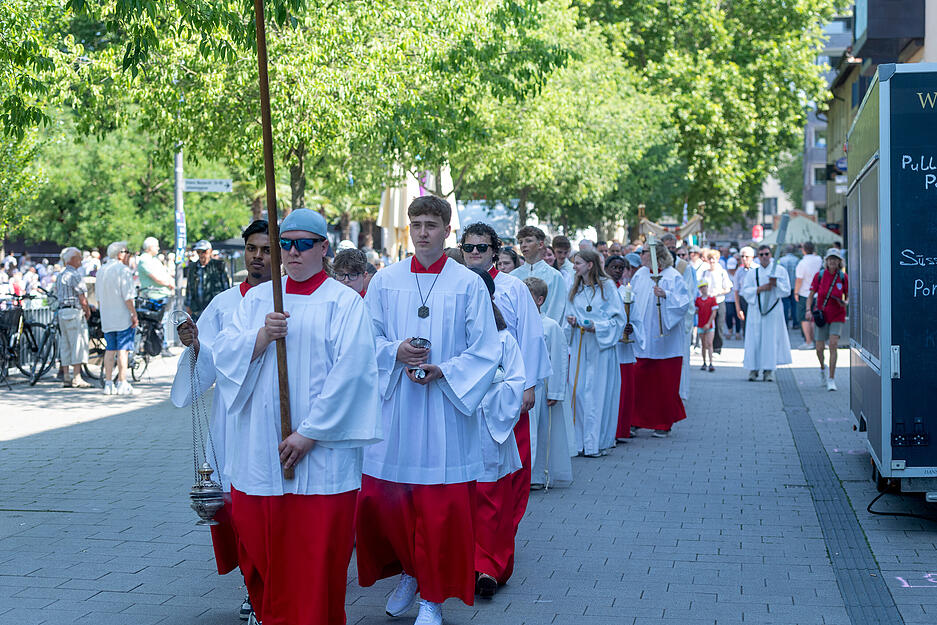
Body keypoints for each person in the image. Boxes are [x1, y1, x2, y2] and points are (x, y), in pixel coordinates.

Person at [213, 210, 381, 625]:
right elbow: (225, 356)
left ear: (324, 248)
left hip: (322, 461)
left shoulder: (344, 303)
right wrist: (261, 337)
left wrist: (309, 434)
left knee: (315, 565)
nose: (292, 252)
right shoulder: (259, 300)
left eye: (304, 243)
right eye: (285, 244)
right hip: (262, 456)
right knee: (263, 557)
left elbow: (353, 374)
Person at [356, 195, 500, 625]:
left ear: (446, 230)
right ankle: (410, 572)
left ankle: (432, 598)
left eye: (431, 225)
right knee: (386, 503)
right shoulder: (385, 280)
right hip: (397, 406)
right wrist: (393, 351)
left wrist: (446, 370)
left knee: (438, 510)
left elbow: (487, 350)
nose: (422, 232)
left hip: (444, 412)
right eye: (416, 223)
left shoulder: (469, 284)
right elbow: (367, 337)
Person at [171, 219, 272, 621]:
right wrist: (195, 344)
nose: (258, 257)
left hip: (278, 424)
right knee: (240, 512)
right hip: (232, 422)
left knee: (274, 513)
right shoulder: (224, 302)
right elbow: (207, 364)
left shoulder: (291, 299)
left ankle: (275, 586)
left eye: (266, 250)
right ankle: (253, 588)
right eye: (252, 249)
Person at [467, 267, 527, 597]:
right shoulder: (452, 335)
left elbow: (515, 380)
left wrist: (487, 394)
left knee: (489, 500)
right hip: (458, 425)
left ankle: (487, 567)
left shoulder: (504, 338)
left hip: (490, 425)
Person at [565, 250, 625, 456]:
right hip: (581, 347)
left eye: (578, 263)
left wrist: (596, 326)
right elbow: (568, 312)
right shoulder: (575, 288)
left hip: (601, 348)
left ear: (590, 265)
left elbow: (618, 319)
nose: (574, 267)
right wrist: (571, 321)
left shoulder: (607, 287)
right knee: (579, 392)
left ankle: (595, 443)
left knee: (598, 394)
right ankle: (580, 442)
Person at [630, 242, 690, 437]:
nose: (640, 255)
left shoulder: (673, 276)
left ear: (655, 255)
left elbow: (683, 303)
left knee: (664, 384)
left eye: (644, 252)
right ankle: (636, 420)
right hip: (642, 338)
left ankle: (663, 423)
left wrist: (666, 295)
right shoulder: (640, 274)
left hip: (666, 342)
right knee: (640, 381)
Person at [525, 277, 574, 489]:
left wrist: (555, 390)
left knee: (542, 431)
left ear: (539, 299)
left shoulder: (551, 325)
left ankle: (538, 474)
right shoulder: (518, 322)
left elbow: (559, 358)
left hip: (542, 387)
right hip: (522, 386)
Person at [741, 245, 792, 382]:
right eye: (761, 254)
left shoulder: (780, 271)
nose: (764, 257)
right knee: (754, 339)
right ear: (758, 256)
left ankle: (769, 370)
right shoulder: (753, 272)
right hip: (756, 309)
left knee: (770, 339)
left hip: (773, 310)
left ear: (771, 255)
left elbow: (787, 291)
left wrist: (776, 284)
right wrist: (760, 288)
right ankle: (753, 369)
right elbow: (745, 291)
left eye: (766, 254)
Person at [97, 242, 138, 396]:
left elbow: (99, 297)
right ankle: (122, 381)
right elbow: (128, 297)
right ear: (120, 253)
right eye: (126, 252)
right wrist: (134, 313)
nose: (128, 255)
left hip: (107, 315)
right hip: (121, 315)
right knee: (123, 350)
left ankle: (108, 383)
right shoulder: (123, 270)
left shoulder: (102, 270)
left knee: (110, 349)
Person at [806, 248, 848, 391]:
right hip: (822, 316)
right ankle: (822, 369)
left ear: (839, 261)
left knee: (833, 344)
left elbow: (848, 295)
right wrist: (808, 310)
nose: (832, 261)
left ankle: (831, 378)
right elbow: (811, 294)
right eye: (830, 259)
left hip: (837, 315)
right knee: (819, 348)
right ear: (826, 261)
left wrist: (845, 302)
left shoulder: (843, 277)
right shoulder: (820, 276)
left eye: (835, 259)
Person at [615, 253, 645, 442]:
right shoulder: (604, 291)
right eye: (614, 268)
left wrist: (630, 328)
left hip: (624, 351)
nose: (618, 271)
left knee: (624, 392)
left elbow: (637, 320)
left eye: (621, 268)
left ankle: (622, 429)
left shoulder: (629, 294)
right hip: (609, 348)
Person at [512, 226, 567, 324]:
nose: (523, 245)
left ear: (540, 244)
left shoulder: (555, 276)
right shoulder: (513, 276)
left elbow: (557, 310)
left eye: (528, 241)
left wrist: (546, 329)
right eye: (521, 242)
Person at [54, 247, 92, 388]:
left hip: (62, 312)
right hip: (73, 311)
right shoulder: (74, 275)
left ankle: (66, 376)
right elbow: (82, 298)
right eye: (79, 257)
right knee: (77, 344)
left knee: (65, 345)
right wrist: (87, 310)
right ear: (73, 259)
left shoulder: (61, 274)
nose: (81, 260)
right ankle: (77, 377)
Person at [185, 240, 230, 321]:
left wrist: (226, 305)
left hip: (215, 308)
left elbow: (226, 287)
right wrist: (188, 305)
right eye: (198, 252)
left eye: (204, 252)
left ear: (210, 251)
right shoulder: (192, 267)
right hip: (197, 309)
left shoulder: (219, 265)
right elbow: (189, 287)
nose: (201, 254)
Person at [700, 250, 731, 355]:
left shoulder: (722, 272)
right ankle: (708, 346)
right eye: (710, 259)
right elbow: (700, 285)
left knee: (719, 324)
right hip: (708, 302)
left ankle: (717, 348)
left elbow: (728, 288)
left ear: (718, 259)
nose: (712, 261)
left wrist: (718, 292)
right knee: (707, 324)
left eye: (714, 258)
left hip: (719, 301)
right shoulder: (705, 272)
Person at [794, 241, 823, 349]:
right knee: (815, 317)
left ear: (803, 250)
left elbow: (799, 279)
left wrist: (796, 292)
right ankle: (816, 341)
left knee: (804, 318)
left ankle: (808, 341)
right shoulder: (819, 259)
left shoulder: (802, 263)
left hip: (804, 292)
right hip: (817, 293)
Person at [695, 281, 717, 372]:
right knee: (703, 344)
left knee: (709, 343)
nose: (704, 289)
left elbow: (714, 313)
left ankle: (711, 363)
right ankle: (704, 362)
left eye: (705, 287)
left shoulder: (712, 299)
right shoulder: (698, 300)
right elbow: (696, 311)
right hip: (701, 324)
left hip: (710, 325)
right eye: (702, 287)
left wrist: (708, 323)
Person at [777, 245, 800, 329]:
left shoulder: (781, 260)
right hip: (794, 285)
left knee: (785, 305)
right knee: (794, 305)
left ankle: (785, 323)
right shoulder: (797, 260)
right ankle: (795, 323)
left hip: (785, 286)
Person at [733, 246, 755, 337]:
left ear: (752, 257)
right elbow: (736, 291)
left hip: (755, 299)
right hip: (743, 300)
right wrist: (738, 309)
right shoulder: (739, 271)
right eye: (742, 256)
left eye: (746, 256)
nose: (744, 259)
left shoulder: (757, 269)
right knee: (745, 326)